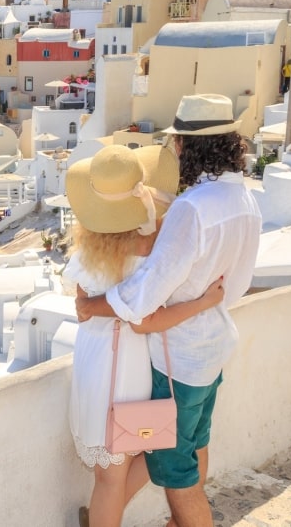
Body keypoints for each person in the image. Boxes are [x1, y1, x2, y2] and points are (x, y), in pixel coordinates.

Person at [76, 94, 262, 527]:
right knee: (196, 445)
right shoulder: (245, 201)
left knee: (176, 473)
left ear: (183, 147)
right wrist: (206, 302)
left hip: (178, 357)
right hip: (213, 346)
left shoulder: (191, 209)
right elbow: (237, 283)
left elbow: (141, 299)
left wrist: (90, 306)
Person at [64, 144, 226, 527]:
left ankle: (105, 517)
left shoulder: (88, 252)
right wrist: (206, 302)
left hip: (95, 362)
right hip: (130, 368)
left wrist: (92, 307)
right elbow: (149, 319)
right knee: (136, 462)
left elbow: (83, 304)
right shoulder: (152, 255)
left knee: (113, 473)